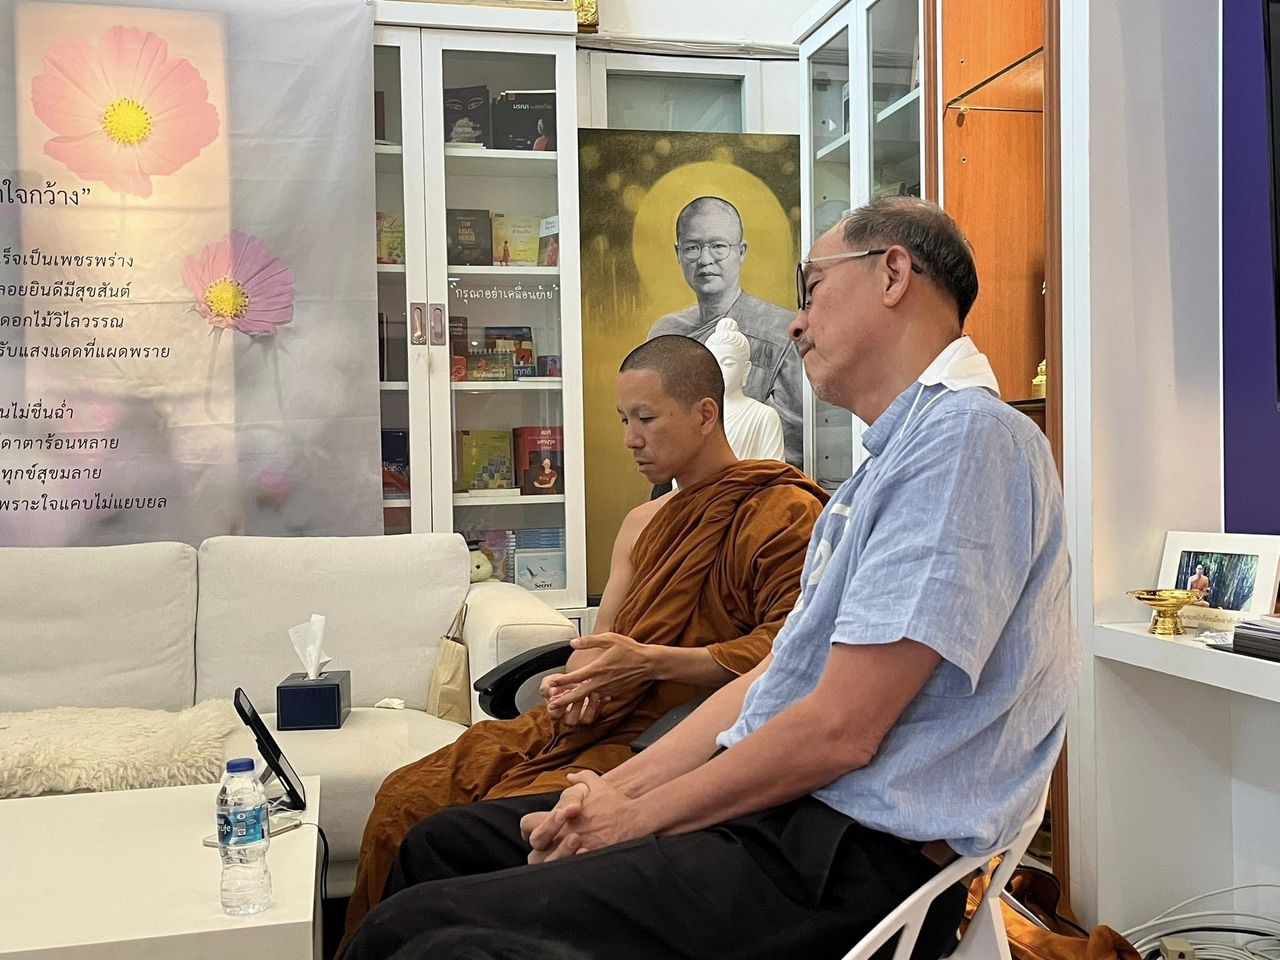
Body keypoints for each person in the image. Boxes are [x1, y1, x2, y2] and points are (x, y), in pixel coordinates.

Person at [342, 197, 1079, 960]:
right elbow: (772, 678)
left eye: (813, 288)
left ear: (892, 274)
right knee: (439, 844)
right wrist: (623, 789)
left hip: (838, 860)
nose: (796, 324)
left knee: (421, 937)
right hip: (780, 813)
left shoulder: (965, 443)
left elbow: (839, 729)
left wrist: (638, 817)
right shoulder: (885, 467)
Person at [342, 335, 827, 944]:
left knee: (485, 821)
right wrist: (580, 689)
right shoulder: (642, 523)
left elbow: (789, 653)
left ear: (706, 414)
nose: (630, 439)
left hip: (664, 738)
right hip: (587, 724)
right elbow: (603, 647)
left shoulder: (782, 512)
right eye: (623, 420)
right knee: (405, 796)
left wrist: (650, 664)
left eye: (646, 418)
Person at [648, 196, 804, 467]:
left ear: (741, 252)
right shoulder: (666, 332)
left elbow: (792, 441)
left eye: (718, 246)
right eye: (692, 248)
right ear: (678, 253)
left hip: (750, 482)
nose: (705, 259)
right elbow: (652, 422)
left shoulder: (780, 329)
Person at [705, 316, 785, 461]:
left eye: (727, 363)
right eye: (713, 363)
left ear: (746, 369)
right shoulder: (701, 416)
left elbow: (775, 471)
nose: (719, 371)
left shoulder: (764, 416)